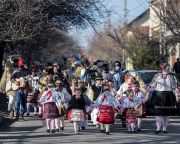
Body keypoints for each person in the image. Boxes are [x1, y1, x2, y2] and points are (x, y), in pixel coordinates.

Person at [149, 63, 178, 134]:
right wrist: (148, 90)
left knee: (166, 114)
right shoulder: (157, 76)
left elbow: (174, 87)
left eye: (167, 68)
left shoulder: (171, 77)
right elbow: (152, 85)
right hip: (159, 95)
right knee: (158, 113)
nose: (166, 69)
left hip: (168, 95)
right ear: (162, 69)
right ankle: (158, 128)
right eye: (164, 68)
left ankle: (164, 128)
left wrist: (177, 95)